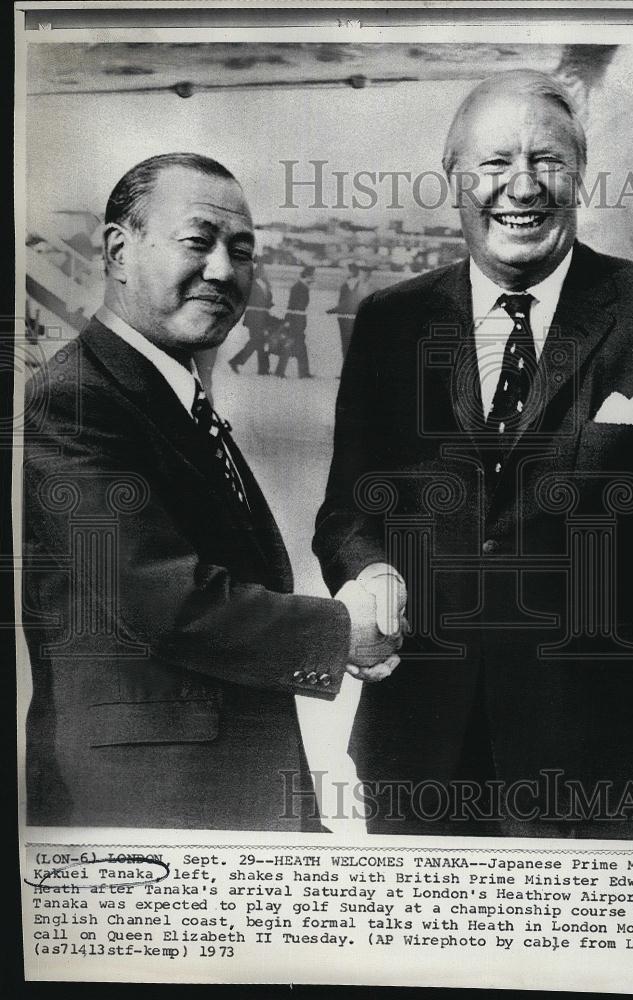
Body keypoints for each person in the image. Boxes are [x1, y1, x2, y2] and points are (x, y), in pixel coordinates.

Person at [313, 71, 633, 839]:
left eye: (549, 160)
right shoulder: (389, 322)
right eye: (495, 163)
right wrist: (368, 570)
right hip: (419, 747)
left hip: (601, 752)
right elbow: (346, 511)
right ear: (456, 180)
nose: (523, 186)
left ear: (582, 175)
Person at [22, 153, 401, 830]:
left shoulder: (168, 395)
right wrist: (342, 633)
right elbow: (166, 600)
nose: (225, 271)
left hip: (218, 793)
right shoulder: (73, 401)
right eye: (198, 242)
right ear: (118, 250)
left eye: (243, 251)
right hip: (141, 812)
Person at [228, 258, 274, 375]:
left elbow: (266, 300)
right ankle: (237, 361)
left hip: (263, 316)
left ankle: (262, 369)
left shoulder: (264, 284)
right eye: (262, 269)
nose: (264, 272)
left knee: (259, 341)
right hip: (254, 318)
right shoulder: (252, 284)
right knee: (256, 341)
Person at [275, 265, 314, 378]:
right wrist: (289, 320)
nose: (313, 279)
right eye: (312, 276)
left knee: (300, 346)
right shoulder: (299, 287)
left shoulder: (301, 286)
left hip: (297, 320)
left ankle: (303, 372)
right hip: (296, 321)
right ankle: (282, 372)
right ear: (307, 276)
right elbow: (292, 306)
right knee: (291, 345)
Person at [328, 261, 366, 361]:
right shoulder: (349, 285)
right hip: (345, 320)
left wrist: (330, 311)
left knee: (349, 344)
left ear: (351, 272)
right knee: (347, 344)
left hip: (350, 319)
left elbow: (344, 304)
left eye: (345, 270)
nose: (343, 272)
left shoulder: (357, 286)